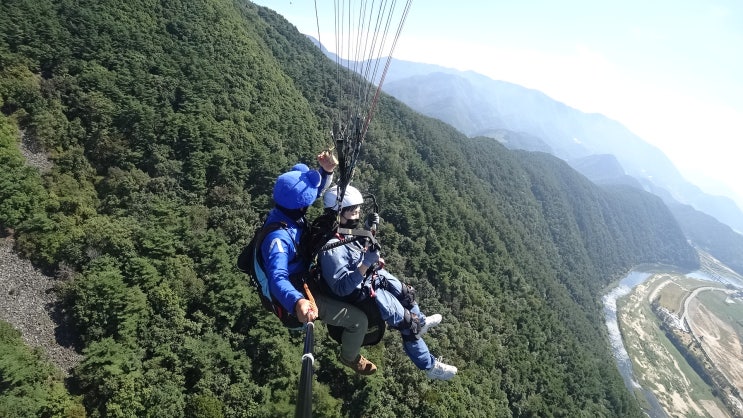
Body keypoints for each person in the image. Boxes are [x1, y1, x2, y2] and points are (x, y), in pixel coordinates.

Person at [318, 184, 458, 380]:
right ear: (337, 213)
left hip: (372, 278)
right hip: (364, 294)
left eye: (358, 210)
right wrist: (366, 264)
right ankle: (429, 366)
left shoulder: (342, 232)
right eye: (353, 211)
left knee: (407, 295)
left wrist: (368, 229)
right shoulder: (331, 248)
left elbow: (355, 248)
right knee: (408, 325)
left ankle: (422, 321)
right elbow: (341, 288)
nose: (357, 214)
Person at [261, 152, 377, 375]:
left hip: (306, 274)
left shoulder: (287, 212)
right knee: (359, 321)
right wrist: (297, 302)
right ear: (301, 204)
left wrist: (326, 172)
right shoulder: (279, 239)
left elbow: (308, 192)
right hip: (299, 291)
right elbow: (277, 278)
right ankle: (350, 357)